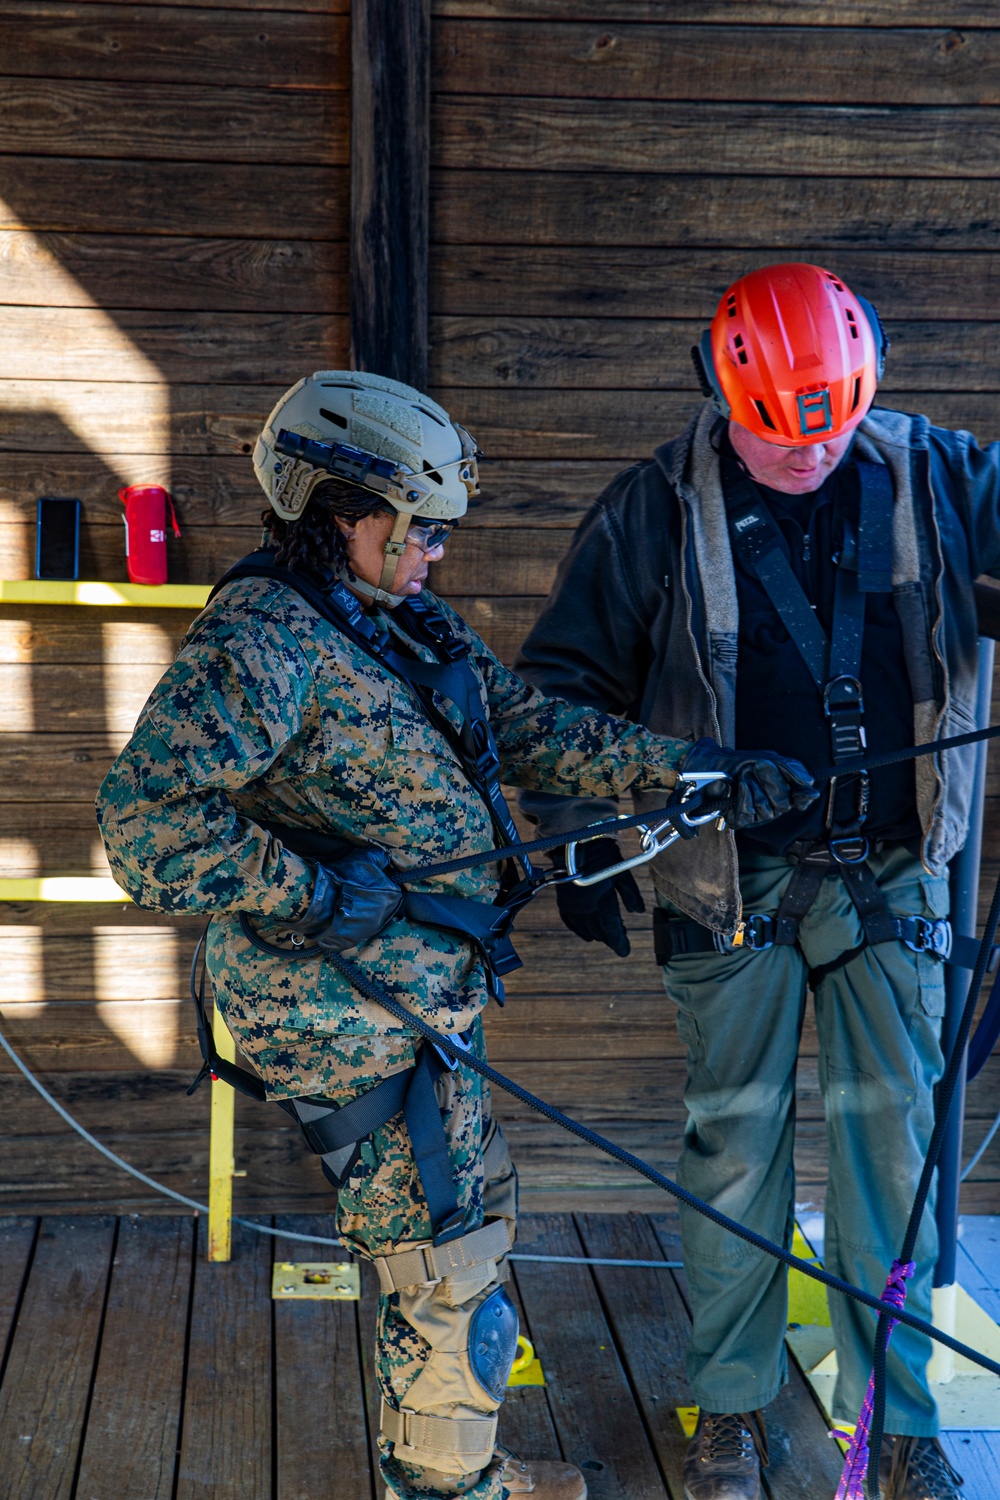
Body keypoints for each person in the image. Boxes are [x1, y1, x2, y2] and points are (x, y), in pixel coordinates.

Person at [95, 370, 812, 1500]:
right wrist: (314, 891)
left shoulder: (397, 621)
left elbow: (528, 726)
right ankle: (445, 1490)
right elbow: (143, 827)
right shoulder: (266, 644)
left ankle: (457, 1467)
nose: (435, 549)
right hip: (350, 1018)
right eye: (419, 527)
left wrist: (692, 771)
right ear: (343, 512)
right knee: (446, 1274)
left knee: (468, 1231)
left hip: (422, 1006)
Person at [514, 263, 996, 1500]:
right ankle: (727, 1409)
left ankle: (896, 1426)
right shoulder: (651, 512)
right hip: (727, 884)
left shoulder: (940, 477)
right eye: (778, 439)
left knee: (896, 1155)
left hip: (895, 876)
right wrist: (576, 835)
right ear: (719, 389)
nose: (807, 457)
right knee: (733, 1152)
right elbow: (560, 688)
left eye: (829, 430)